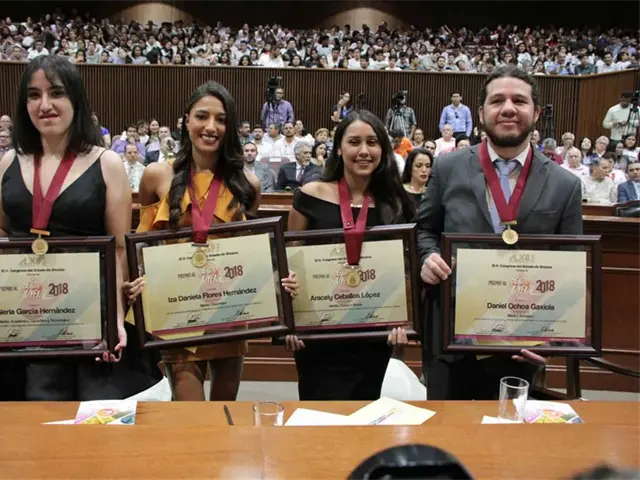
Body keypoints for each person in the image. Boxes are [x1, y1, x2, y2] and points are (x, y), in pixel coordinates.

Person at [123, 81, 298, 401]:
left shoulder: (248, 184)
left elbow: (249, 251)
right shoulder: (156, 175)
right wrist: (137, 279)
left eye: (221, 119)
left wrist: (275, 279)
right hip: (179, 312)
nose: (211, 127)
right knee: (190, 414)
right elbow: (144, 241)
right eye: (202, 116)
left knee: (224, 410)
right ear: (186, 120)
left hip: (229, 312)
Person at [418, 65, 583, 400]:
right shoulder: (447, 168)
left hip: (522, 342)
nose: (508, 108)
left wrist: (553, 339)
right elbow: (425, 230)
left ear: (536, 112)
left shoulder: (565, 185)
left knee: (509, 429)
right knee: (447, 430)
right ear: (481, 113)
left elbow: (571, 266)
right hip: (451, 337)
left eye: (519, 101)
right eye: (497, 101)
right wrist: (428, 256)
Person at [0, 55, 146, 401]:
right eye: (34, 95)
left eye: (56, 93)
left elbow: (119, 249)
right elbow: (3, 236)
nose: (44, 105)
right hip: (22, 317)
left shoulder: (107, 164)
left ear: (75, 99)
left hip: (84, 317)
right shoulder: (8, 160)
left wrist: (114, 318)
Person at [284, 109, 414, 400]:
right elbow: (290, 264)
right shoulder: (310, 195)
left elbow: (404, 268)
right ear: (339, 148)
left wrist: (401, 318)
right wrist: (290, 322)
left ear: (383, 149)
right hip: (318, 335)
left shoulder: (396, 204)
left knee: (365, 412)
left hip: (371, 335)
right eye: (354, 142)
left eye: (372, 142)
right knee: (318, 415)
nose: (364, 151)